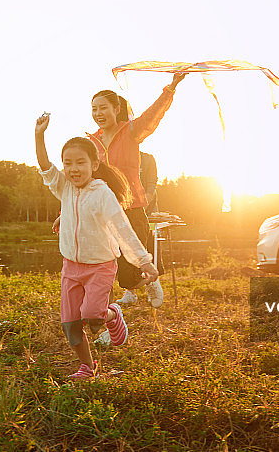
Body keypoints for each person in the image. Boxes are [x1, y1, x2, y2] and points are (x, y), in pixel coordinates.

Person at [35, 112, 159, 380]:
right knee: (70, 323)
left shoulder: (102, 192)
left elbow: (121, 228)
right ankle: (87, 367)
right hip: (71, 266)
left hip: (100, 265)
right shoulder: (64, 187)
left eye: (80, 162)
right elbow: (45, 167)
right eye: (68, 163)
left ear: (94, 164)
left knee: (93, 315)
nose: (73, 168)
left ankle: (113, 314)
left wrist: (144, 261)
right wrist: (39, 135)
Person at [87, 73, 186, 308]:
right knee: (113, 260)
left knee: (134, 256)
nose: (98, 113)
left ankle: (151, 281)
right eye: (94, 109)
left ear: (116, 108)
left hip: (132, 206)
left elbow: (153, 116)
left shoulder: (130, 132)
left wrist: (170, 88)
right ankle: (124, 297)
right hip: (104, 209)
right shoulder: (92, 142)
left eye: (103, 108)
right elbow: (84, 176)